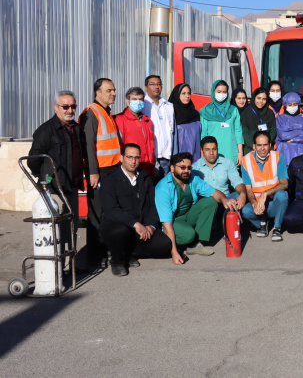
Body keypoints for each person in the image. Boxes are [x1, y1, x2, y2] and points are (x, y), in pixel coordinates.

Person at [28, 90, 85, 265]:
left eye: (73, 106)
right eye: (65, 106)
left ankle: (68, 266)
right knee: (56, 228)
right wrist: (46, 177)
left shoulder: (76, 128)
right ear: (56, 107)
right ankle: (55, 266)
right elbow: (33, 161)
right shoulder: (46, 130)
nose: (70, 110)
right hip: (53, 189)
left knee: (71, 227)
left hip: (72, 187)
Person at [99, 144, 172, 276]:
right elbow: (110, 210)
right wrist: (135, 224)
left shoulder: (145, 178)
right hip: (117, 225)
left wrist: (151, 226)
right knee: (120, 232)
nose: (133, 161)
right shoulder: (110, 179)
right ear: (121, 158)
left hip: (141, 227)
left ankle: (128, 252)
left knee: (165, 244)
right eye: (129, 157)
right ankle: (117, 261)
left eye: (137, 157)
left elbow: (152, 206)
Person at [155, 152, 237, 262]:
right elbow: (166, 223)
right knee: (189, 234)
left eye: (189, 167)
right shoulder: (163, 188)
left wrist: (224, 199)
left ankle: (198, 243)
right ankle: (183, 243)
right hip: (171, 221)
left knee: (210, 201)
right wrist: (174, 252)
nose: (186, 171)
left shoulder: (192, 178)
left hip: (187, 215)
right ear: (172, 168)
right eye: (182, 167)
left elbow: (213, 192)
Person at [79, 78, 122, 269]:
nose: (113, 93)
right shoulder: (91, 113)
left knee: (108, 212)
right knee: (96, 214)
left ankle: (106, 249)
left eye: (114, 90)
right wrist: (93, 172)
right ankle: (94, 256)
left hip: (112, 169)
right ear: (98, 93)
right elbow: (88, 146)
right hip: (100, 171)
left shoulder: (106, 112)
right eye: (109, 90)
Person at [240, 131, 289, 241]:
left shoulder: (277, 157)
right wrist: (254, 204)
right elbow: (248, 188)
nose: (262, 148)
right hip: (258, 204)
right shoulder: (246, 160)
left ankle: (277, 228)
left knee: (282, 195)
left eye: (265, 145)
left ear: (270, 145)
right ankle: (262, 224)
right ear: (254, 146)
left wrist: (265, 194)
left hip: (273, 203)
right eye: (259, 145)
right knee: (246, 212)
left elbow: (285, 183)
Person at [192, 136, 249, 228]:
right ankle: (218, 225)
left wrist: (243, 194)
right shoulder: (195, 168)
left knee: (238, 195)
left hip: (227, 201)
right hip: (209, 205)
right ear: (202, 151)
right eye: (207, 150)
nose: (211, 153)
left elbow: (237, 181)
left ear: (217, 149)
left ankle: (233, 228)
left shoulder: (227, 163)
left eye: (214, 149)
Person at [200, 80, 244, 166]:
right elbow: (204, 133)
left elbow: (238, 132)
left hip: (231, 152)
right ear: (213, 92)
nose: (222, 94)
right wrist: (203, 152)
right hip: (212, 152)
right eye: (219, 92)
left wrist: (240, 153)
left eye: (224, 92)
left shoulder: (233, 110)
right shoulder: (206, 111)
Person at [114, 87, 156, 177]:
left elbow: (151, 146)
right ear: (127, 101)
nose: (138, 102)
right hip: (129, 169)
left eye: (140, 99)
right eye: (134, 99)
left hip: (147, 168)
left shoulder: (147, 121)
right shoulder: (118, 119)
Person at [142, 75, 174, 180]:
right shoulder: (142, 106)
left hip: (166, 156)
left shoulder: (169, 106)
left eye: (159, 84)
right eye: (152, 84)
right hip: (150, 155)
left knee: (164, 188)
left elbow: (172, 131)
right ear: (146, 87)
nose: (156, 87)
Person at [275, 92, 303, 162]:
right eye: (290, 104)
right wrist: (300, 131)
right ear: (285, 105)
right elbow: (283, 135)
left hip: (302, 154)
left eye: (295, 104)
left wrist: (293, 139)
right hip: (285, 154)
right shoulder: (280, 119)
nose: (292, 106)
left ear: (298, 104)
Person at [168, 83, 202, 162]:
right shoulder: (171, 115)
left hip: (196, 158)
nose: (187, 96)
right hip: (179, 158)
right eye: (183, 93)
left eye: (189, 93)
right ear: (177, 95)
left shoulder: (195, 114)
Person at [240, 87, 277, 156]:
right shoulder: (246, 113)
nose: (261, 101)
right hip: (251, 149)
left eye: (264, 99)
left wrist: (267, 143)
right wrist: (253, 145)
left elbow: (273, 130)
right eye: (259, 98)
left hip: (267, 149)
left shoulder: (270, 113)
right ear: (254, 98)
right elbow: (244, 132)